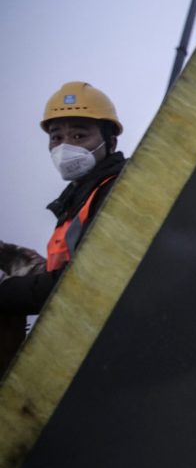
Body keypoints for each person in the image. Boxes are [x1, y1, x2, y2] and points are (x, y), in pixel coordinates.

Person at [0, 82, 126, 324]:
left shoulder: (118, 190)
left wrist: (7, 291)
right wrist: (32, 270)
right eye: (56, 137)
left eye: (79, 135)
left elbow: (82, 284)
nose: (65, 146)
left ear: (110, 144)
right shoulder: (77, 199)